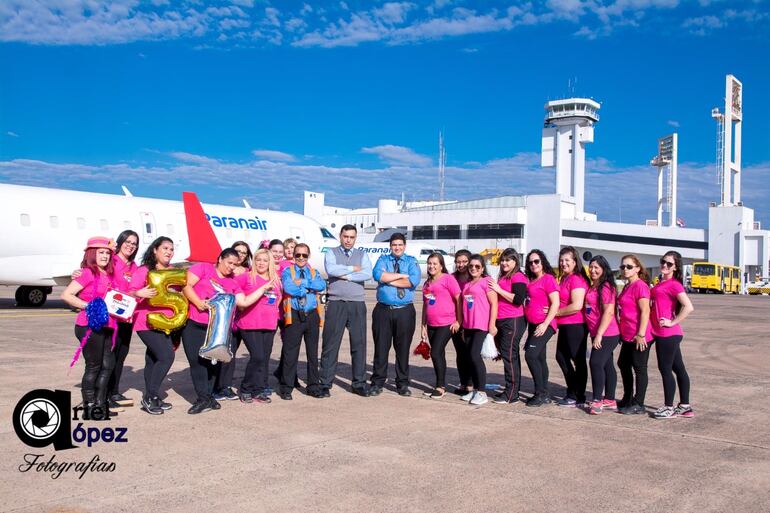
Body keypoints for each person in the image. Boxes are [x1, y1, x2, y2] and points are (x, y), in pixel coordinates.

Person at [181, 248, 266, 414]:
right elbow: (186, 285)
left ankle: (208, 397)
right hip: (194, 323)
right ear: (220, 259)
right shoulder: (203, 268)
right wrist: (198, 302)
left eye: (234, 265)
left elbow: (244, 302)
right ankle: (203, 398)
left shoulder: (232, 282)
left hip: (216, 328)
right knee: (197, 362)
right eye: (229, 263)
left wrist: (263, 288)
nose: (231, 267)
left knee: (213, 362)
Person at [61, 236, 118, 419]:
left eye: (107, 253)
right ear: (92, 254)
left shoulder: (109, 274)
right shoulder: (87, 273)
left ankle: (100, 404)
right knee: (94, 366)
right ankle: (90, 406)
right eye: (101, 252)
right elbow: (66, 295)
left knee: (108, 365)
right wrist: (89, 306)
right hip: (89, 325)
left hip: (107, 325)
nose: (105, 256)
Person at [319, 225, 373, 397]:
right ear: (340, 236)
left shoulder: (362, 255)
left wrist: (345, 275)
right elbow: (331, 270)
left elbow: (367, 273)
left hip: (357, 303)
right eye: (345, 236)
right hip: (336, 303)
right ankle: (325, 383)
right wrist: (352, 269)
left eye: (352, 237)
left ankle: (359, 383)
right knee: (330, 344)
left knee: (359, 344)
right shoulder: (331, 253)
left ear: (355, 238)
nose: (348, 240)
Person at [130, 236, 178, 415]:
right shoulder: (144, 270)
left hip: (167, 322)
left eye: (171, 249)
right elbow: (129, 291)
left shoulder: (173, 271)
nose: (169, 252)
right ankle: (150, 397)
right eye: (165, 248)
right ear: (155, 250)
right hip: (146, 321)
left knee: (152, 358)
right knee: (166, 356)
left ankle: (153, 395)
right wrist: (139, 292)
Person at [370, 233, 421, 397]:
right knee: (381, 348)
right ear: (390, 246)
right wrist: (401, 276)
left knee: (403, 349)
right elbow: (378, 275)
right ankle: (377, 382)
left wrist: (388, 279)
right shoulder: (383, 260)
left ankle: (402, 383)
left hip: (404, 311)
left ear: (404, 246)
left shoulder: (411, 261)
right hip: (383, 311)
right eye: (394, 245)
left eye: (400, 245)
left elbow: (413, 281)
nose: (397, 247)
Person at [279, 243, 327, 400]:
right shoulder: (288, 271)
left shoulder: (313, 272)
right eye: (297, 255)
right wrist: (307, 288)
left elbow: (321, 285)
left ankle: (313, 386)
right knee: (290, 353)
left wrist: (303, 283)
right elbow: (289, 288)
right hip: (294, 315)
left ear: (308, 256)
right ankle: (286, 387)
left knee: (312, 353)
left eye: (304, 255)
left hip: (311, 315)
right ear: (293, 256)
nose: (301, 258)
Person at [651, 250, 695, 419]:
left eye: (669, 264)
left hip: (667, 334)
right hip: (665, 334)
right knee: (679, 369)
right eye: (663, 261)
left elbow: (688, 307)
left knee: (665, 369)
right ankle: (685, 406)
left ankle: (668, 407)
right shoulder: (661, 283)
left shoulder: (674, 284)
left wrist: (672, 322)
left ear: (675, 267)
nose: (665, 265)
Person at [235, 248, 282, 404]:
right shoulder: (247, 277)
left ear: (270, 262)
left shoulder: (275, 280)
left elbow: (278, 299)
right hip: (250, 323)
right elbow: (233, 292)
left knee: (264, 359)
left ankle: (259, 390)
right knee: (257, 357)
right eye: (258, 260)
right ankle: (246, 388)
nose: (261, 263)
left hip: (269, 325)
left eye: (265, 260)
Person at [213, 241, 253, 401]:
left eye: (244, 252)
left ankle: (226, 386)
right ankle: (216, 385)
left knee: (231, 353)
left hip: (241, 317)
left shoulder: (249, 272)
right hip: (225, 317)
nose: (241, 254)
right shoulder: (226, 270)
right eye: (238, 251)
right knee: (221, 351)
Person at [489, 248, 528, 404]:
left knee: (509, 356)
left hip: (513, 320)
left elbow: (518, 299)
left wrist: (498, 290)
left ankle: (511, 394)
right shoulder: (504, 276)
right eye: (502, 260)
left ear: (515, 262)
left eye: (508, 260)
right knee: (509, 355)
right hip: (503, 319)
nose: (504, 263)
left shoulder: (518, 276)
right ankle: (511, 390)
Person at [420, 252, 461, 399]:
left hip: (447, 323)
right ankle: (439, 384)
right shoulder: (427, 283)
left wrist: (458, 321)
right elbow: (425, 305)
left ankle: (440, 386)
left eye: (434, 264)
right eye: (429, 263)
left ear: (441, 266)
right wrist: (423, 325)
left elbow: (459, 299)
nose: (431, 266)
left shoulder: (448, 279)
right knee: (439, 354)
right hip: (431, 324)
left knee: (435, 352)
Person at [616, 254, 653, 415]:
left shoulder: (640, 286)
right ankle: (628, 397)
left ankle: (639, 403)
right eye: (623, 266)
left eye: (629, 266)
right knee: (623, 364)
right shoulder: (627, 286)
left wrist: (641, 334)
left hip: (639, 335)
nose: (625, 269)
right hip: (628, 334)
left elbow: (645, 311)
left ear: (637, 268)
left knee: (639, 367)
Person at [459, 254, 498, 406]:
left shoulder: (486, 281)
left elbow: (494, 303)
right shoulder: (467, 284)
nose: (473, 268)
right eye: (471, 266)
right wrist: (463, 327)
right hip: (469, 325)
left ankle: (482, 392)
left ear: (482, 269)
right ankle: (475, 390)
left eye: (477, 266)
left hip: (481, 325)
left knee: (475, 356)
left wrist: (492, 324)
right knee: (470, 357)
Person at [584, 256, 621, 415]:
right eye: (591, 267)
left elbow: (609, 312)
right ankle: (610, 399)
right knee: (607, 364)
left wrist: (599, 334)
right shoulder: (594, 285)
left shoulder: (606, 287)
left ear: (603, 269)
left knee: (596, 362)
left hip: (607, 333)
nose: (593, 270)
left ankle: (597, 400)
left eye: (596, 268)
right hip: (597, 332)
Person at [554, 246, 590, 407]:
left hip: (576, 324)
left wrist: (556, 313)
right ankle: (573, 390)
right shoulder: (565, 278)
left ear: (575, 262)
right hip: (565, 324)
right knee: (561, 357)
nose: (563, 263)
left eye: (567, 260)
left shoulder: (576, 279)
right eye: (561, 260)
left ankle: (578, 394)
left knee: (578, 360)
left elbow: (577, 305)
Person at [523, 249, 559, 407]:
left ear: (542, 262)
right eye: (530, 262)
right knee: (539, 358)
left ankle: (540, 393)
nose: (533, 264)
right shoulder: (531, 280)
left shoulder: (548, 279)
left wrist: (545, 324)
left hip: (544, 324)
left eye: (536, 261)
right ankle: (544, 393)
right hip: (533, 325)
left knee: (530, 356)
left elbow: (555, 303)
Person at [450, 249, 474, 395]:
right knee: (460, 353)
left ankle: (471, 383)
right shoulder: (451, 278)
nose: (461, 265)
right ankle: (463, 382)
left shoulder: (476, 277)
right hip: (456, 321)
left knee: (471, 353)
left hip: (473, 320)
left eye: (464, 261)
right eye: (458, 262)